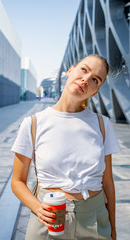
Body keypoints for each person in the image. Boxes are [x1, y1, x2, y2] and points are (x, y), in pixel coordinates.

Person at [11, 54, 121, 240]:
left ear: (96, 90)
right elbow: (17, 181)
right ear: (71, 70)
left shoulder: (102, 124)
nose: (86, 80)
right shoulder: (33, 123)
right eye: (84, 70)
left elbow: (108, 182)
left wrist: (112, 228)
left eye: (95, 79)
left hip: (94, 220)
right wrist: (38, 207)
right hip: (48, 220)